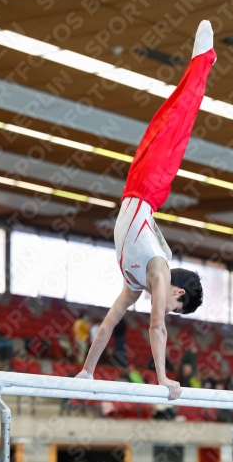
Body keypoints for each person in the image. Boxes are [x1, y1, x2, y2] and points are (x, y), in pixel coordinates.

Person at [75, 20, 217, 400]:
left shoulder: (134, 287)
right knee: (178, 120)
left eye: (171, 309)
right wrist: (163, 378)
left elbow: (106, 326)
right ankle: (204, 59)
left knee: (166, 119)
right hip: (150, 187)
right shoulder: (158, 271)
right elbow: (157, 328)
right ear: (178, 291)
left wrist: (87, 372)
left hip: (133, 187)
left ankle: (200, 62)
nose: (166, 309)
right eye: (174, 306)